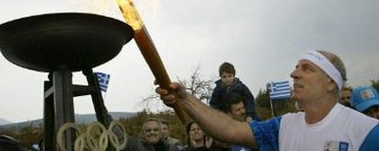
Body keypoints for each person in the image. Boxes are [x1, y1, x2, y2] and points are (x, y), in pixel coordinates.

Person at [156, 50, 379, 150]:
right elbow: (230, 130)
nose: (294, 74)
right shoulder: (283, 127)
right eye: (295, 67)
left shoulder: (368, 132)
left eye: (307, 69)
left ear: (332, 83)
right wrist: (185, 99)